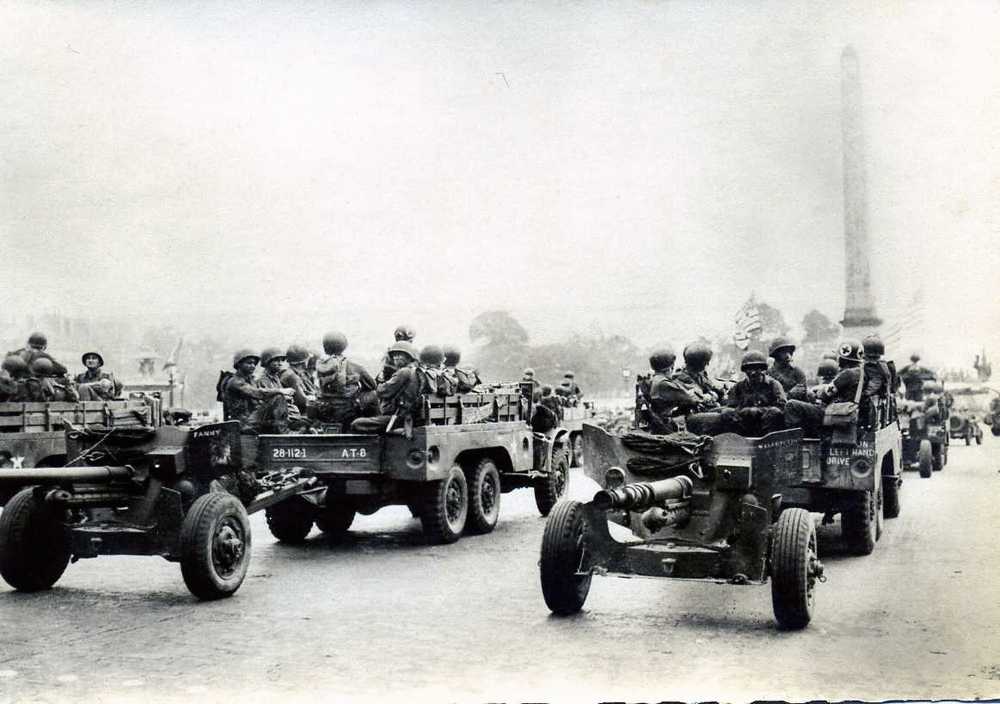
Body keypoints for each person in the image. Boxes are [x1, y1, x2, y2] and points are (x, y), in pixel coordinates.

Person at [784, 340, 864, 436]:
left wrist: (813, 393)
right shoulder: (861, 373)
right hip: (849, 411)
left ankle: (794, 441)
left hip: (837, 412)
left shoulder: (847, 374)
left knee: (791, 405)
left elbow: (825, 395)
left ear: (843, 358)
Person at [351, 341, 421, 434]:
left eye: (400, 355)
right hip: (408, 416)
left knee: (356, 424)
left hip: (398, 418)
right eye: (394, 355)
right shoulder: (414, 371)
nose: (396, 358)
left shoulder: (403, 372)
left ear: (409, 357)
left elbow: (382, 391)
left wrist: (381, 382)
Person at [314, 331, 377, 429]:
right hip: (348, 412)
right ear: (344, 346)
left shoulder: (320, 365)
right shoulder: (355, 366)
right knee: (373, 393)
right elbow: (372, 385)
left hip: (324, 410)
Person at [223, 349, 295, 433]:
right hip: (244, 423)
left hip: (251, 418)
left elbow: (258, 399)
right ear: (239, 364)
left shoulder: (250, 380)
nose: (253, 366)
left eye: (254, 363)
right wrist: (280, 391)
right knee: (278, 397)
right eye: (249, 363)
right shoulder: (235, 381)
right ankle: (284, 432)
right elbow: (257, 393)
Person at [670, 341, 726, 434]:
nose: (707, 365)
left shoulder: (699, 375)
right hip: (687, 417)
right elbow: (700, 399)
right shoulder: (681, 378)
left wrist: (717, 391)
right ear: (701, 363)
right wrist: (714, 394)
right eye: (705, 362)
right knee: (724, 417)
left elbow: (714, 387)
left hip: (702, 411)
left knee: (729, 411)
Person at [724, 351, 786, 435]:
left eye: (756, 368)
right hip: (744, 424)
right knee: (727, 412)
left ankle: (766, 440)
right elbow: (731, 406)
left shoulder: (773, 384)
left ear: (762, 369)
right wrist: (745, 411)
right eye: (749, 369)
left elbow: (781, 407)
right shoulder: (738, 387)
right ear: (745, 370)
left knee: (774, 411)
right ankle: (738, 440)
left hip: (766, 423)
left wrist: (760, 410)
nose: (752, 372)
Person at [256, 348, 309, 430]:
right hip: (274, 419)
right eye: (276, 361)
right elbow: (269, 400)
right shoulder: (262, 379)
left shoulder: (275, 377)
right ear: (267, 362)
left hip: (287, 414)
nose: (280, 363)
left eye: (281, 360)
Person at [643, 346, 682, 434]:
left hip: (658, 423)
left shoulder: (654, 379)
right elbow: (690, 398)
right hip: (665, 426)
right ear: (670, 367)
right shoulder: (664, 383)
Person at [280, 343, 318, 415]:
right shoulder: (292, 376)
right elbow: (302, 401)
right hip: (297, 412)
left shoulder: (293, 373)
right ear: (303, 362)